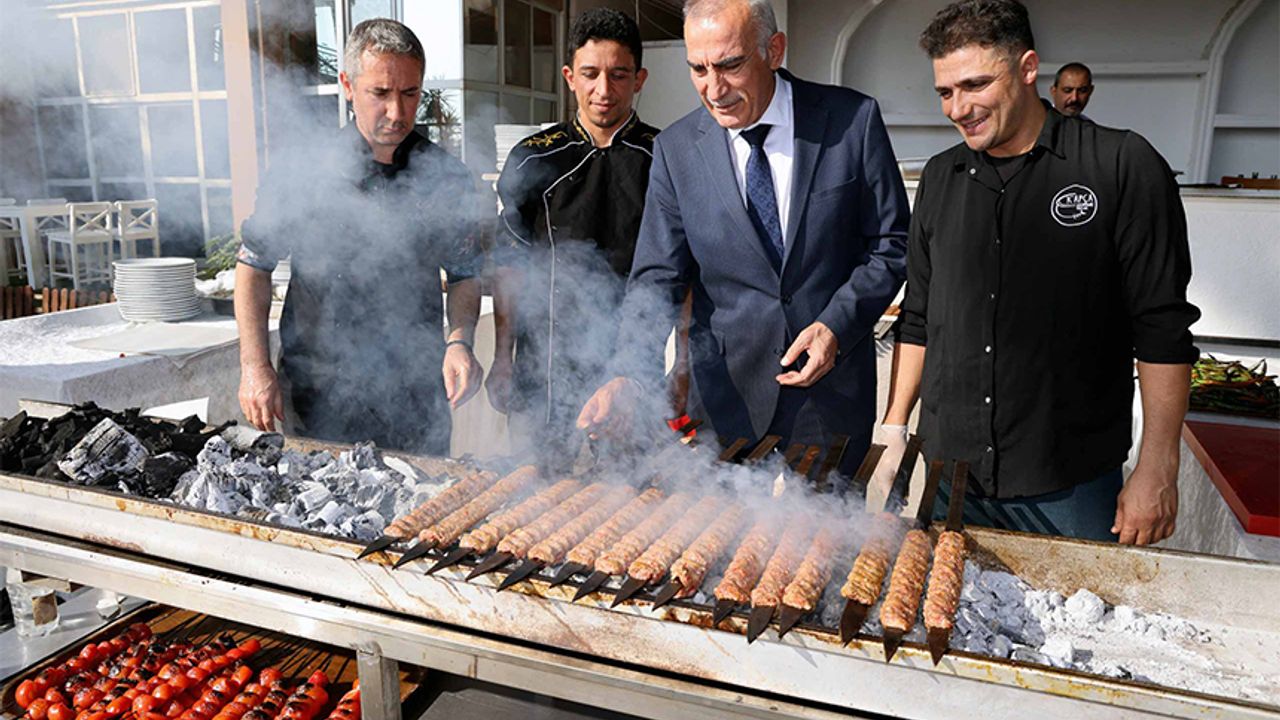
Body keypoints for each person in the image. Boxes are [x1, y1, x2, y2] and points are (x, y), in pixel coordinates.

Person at [880, 0, 1199, 544]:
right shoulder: (939, 178)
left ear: (1028, 68)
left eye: (976, 85)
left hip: (1069, 484)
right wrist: (891, 427)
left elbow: (1162, 328)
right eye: (945, 92)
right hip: (950, 475)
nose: (959, 108)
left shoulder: (1121, 164)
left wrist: (1158, 465)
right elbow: (919, 317)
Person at [577, 0, 910, 476]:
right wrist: (629, 371)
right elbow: (657, 279)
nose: (714, 90)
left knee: (826, 527)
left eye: (730, 65)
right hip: (724, 404)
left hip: (830, 398)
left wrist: (836, 325)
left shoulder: (852, 121)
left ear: (774, 50)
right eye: (698, 69)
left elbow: (891, 244)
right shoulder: (675, 150)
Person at [235, 19, 485, 456]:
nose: (398, 112)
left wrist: (460, 341)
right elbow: (253, 264)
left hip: (414, 396)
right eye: (380, 93)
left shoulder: (446, 177)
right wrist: (254, 367)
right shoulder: (303, 170)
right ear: (348, 86)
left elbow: (464, 273)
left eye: (410, 93)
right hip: (317, 393)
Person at [488, 9, 665, 470]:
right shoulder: (532, 159)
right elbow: (510, 266)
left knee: (629, 500)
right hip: (542, 372)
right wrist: (502, 358)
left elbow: (680, 278)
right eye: (590, 74)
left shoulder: (665, 158)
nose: (603, 90)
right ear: (569, 77)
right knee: (534, 497)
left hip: (631, 373)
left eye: (618, 74)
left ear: (639, 79)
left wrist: (678, 373)